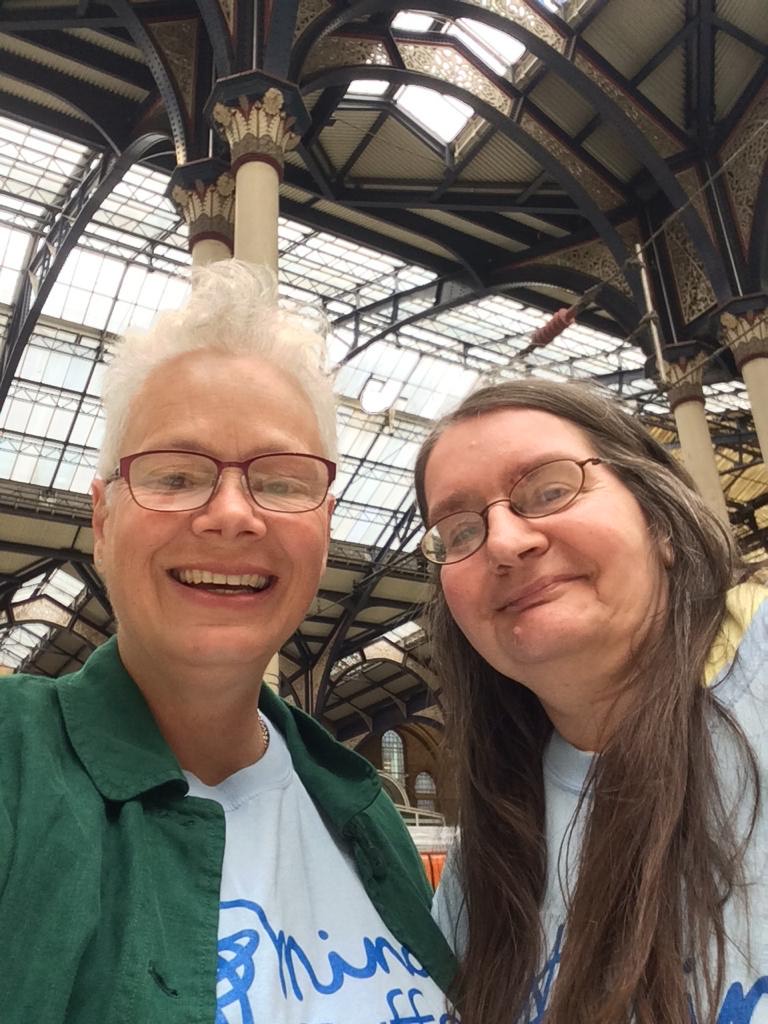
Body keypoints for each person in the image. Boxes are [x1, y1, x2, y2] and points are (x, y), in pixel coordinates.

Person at [0, 259, 456, 1024]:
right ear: (104, 521)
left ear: (325, 526)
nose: (233, 515)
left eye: (280, 482)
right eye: (176, 476)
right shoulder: (14, 762)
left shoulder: (365, 814)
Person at [413, 378, 767, 1024]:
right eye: (459, 532)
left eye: (549, 490)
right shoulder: (481, 871)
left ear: (660, 522)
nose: (504, 543)